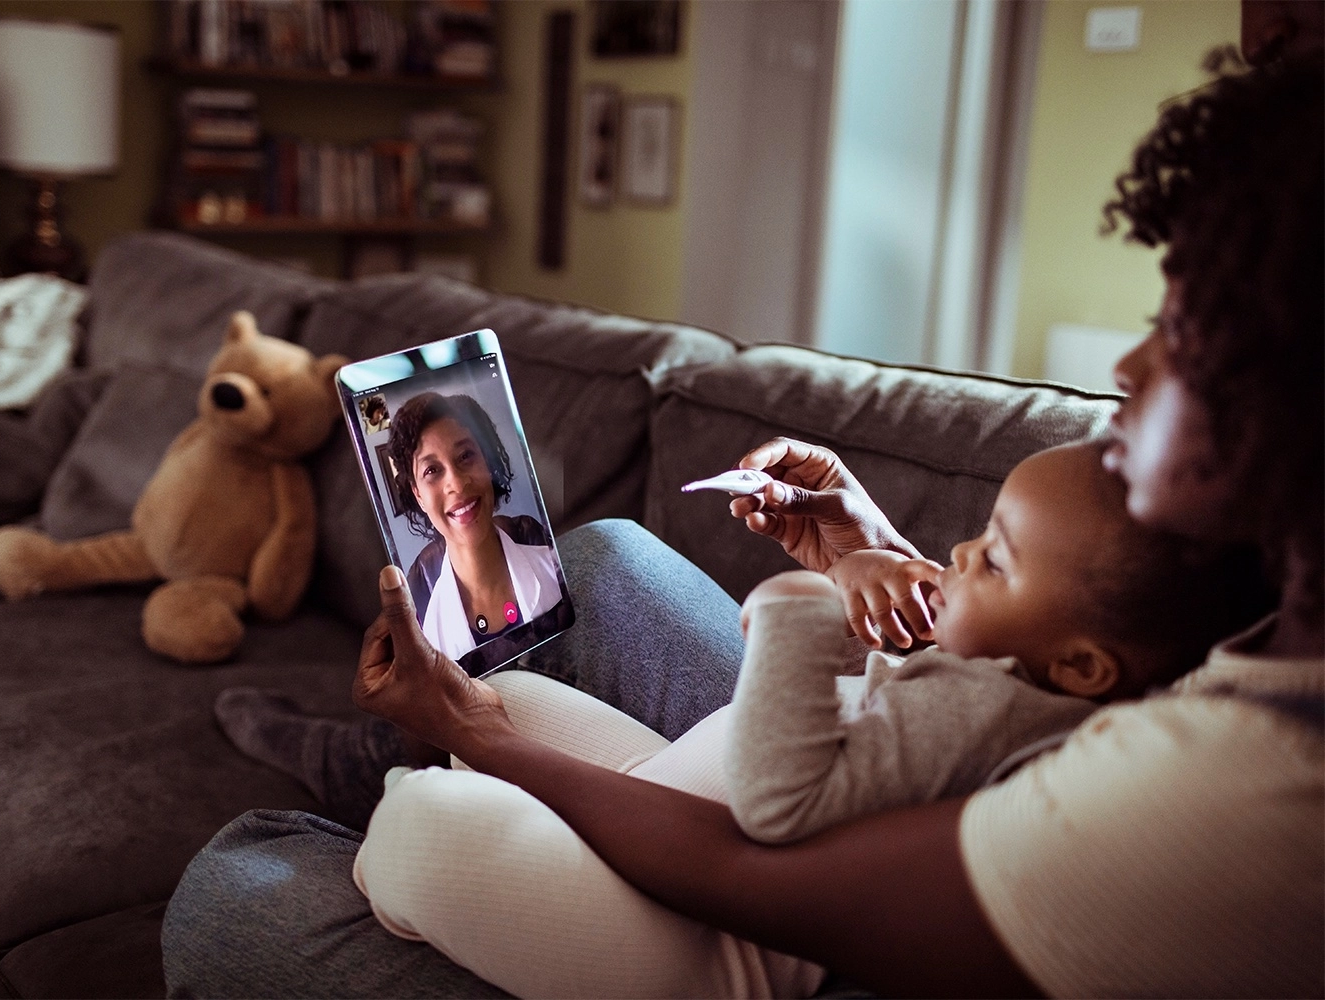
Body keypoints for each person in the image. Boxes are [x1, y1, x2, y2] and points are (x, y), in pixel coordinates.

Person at [162, 46, 1322, 999]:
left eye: (1188, 324)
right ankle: (398, 757)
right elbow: (1035, 689)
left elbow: (754, 871)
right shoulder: (1247, 604)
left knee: (234, 890)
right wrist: (875, 550)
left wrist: (487, 743)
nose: (1132, 361)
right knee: (603, 561)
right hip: (824, 807)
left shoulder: (1240, 800)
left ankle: (402, 783)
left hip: (776, 927)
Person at [347, 442, 1271, 998]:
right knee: (527, 691)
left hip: (704, 938)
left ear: (1079, 667)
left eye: (995, 559)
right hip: (683, 794)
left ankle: (391, 807)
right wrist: (871, 566)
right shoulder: (1027, 686)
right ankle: (435, 769)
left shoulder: (999, 719)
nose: (958, 551)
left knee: (419, 824)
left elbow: (779, 802)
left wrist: (804, 605)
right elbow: (893, 716)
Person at [386, 391, 561, 659]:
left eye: (465, 456)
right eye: (432, 470)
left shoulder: (555, 569)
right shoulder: (426, 639)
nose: (456, 484)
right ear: (418, 494)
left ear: (488, 462)